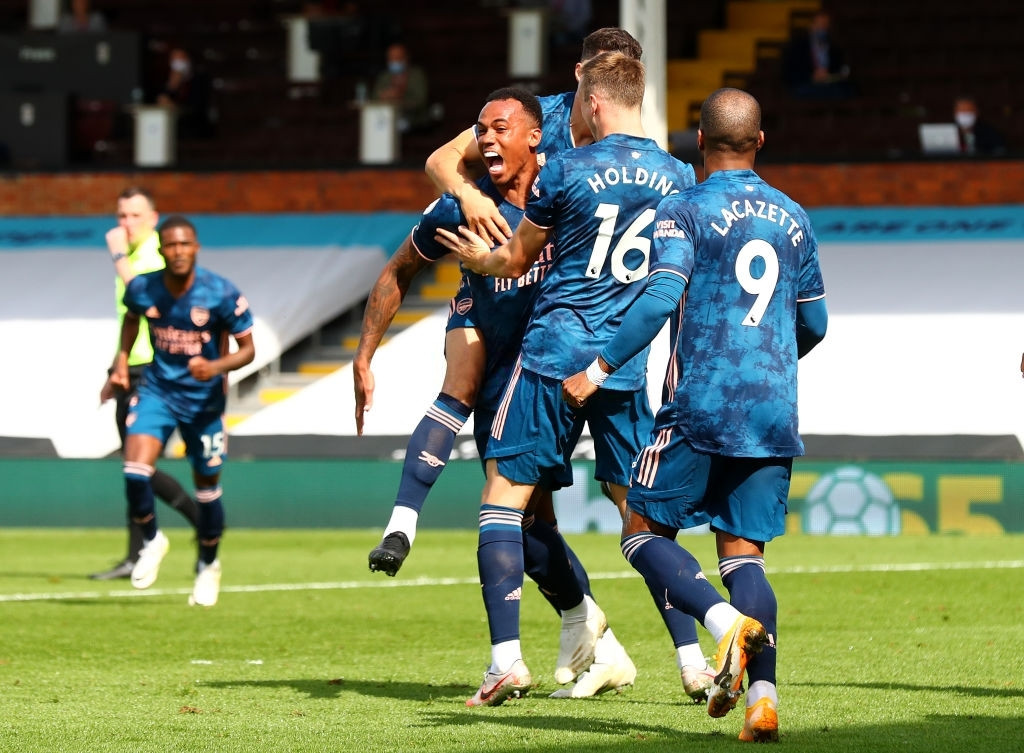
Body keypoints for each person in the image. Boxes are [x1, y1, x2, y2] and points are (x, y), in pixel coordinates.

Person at [412, 27, 718, 703]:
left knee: (505, 502)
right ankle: (696, 657)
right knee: (641, 521)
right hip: (627, 362)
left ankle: (504, 659)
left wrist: (478, 259)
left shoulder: (566, 168)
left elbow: (516, 259)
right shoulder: (676, 176)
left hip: (555, 350)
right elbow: (679, 281)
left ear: (592, 94)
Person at [562, 87, 829, 742]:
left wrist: (597, 368)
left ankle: (720, 623)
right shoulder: (794, 216)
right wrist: (766, 357)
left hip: (702, 403)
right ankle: (762, 698)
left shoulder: (684, 208)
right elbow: (815, 322)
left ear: (697, 141)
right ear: (760, 140)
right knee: (745, 558)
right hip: (772, 407)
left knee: (640, 530)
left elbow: (659, 298)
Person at [356, 86, 636, 702]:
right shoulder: (465, 206)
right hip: (498, 352)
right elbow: (399, 265)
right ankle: (589, 632)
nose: (485, 139)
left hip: (548, 367)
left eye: (498, 129)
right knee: (524, 520)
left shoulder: (568, 191)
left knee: (542, 515)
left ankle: (661, 647)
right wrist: (364, 354)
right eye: (480, 131)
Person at [101, 215, 255, 607]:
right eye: (170, 245)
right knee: (135, 471)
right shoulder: (143, 287)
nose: (178, 251)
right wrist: (121, 361)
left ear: (196, 247)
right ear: (162, 249)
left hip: (204, 403)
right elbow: (131, 319)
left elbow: (249, 349)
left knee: (207, 492)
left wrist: (215, 367)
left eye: (185, 244)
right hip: (157, 392)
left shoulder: (220, 293)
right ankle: (153, 540)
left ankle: (208, 565)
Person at [92, 188, 200, 581]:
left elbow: (148, 301)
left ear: (153, 219)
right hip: (132, 367)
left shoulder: (157, 253)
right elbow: (130, 322)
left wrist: (119, 256)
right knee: (132, 465)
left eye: (134, 216)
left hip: (156, 369)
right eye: (121, 216)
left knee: (138, 463)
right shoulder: (137, 255)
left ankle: (195, 517)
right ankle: (135, 553)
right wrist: (115, 368)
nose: (125, 224)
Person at [781, 10, 852, 100]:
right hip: (806, 85)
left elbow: (841, 70)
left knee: (845, 92)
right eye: (820, 25)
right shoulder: (798, 47)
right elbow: (789, 71)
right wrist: (811, 76)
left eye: (825, 25)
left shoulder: (834, 47)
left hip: (830, 86)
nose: (823, 28)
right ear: (811, 26)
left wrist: (829, 75)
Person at [371, 42, 431, 133]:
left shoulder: (416, 75)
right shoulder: (384, 77)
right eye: (391, 59)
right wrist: (385, 96)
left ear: (406, 58)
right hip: (385, 119)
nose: (394, 62)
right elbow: (374, 98)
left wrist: (400, 96)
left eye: (398, 58)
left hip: (414, 120)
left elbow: (421, 100)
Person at [156, 47, 213, 139]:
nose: (178, 64)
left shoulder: (200, 79)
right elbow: (161, 100)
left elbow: (198, 107)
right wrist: (172, 85)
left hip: (195, 130)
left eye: (181, 59)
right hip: (172, 132)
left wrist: (175, 107)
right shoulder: (165, 80)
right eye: (174, 59)